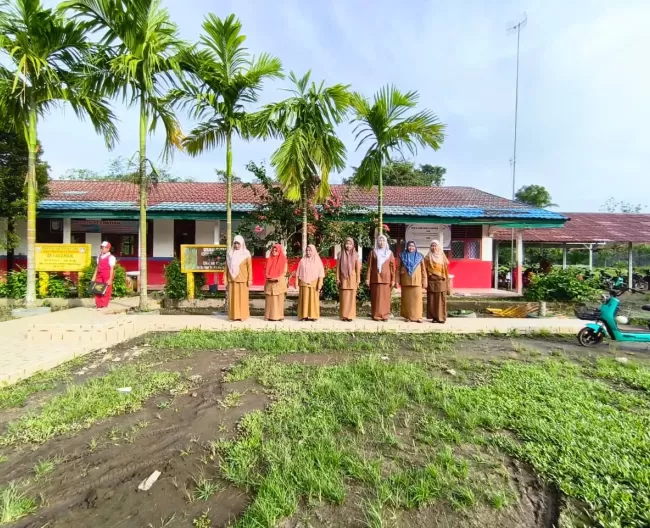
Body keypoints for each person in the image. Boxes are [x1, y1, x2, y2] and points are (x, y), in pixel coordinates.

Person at [366, 234, 395, 321]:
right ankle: (376, 315)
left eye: (383, 240)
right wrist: (367, 278)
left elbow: (392, 268)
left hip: (386, 279)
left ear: (386, 242)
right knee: (376, 298)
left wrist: (393, 279)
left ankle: (385, 315)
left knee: (385, 298)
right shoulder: (373, 252)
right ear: (377, 242)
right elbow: (369, 267)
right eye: (380, 240)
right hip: (375, 278)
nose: (381, 242)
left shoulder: (390, 253)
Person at [398, 240, 427, 323]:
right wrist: (397, 281)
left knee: (417, 300)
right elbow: (398, 269)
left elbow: (423, 270)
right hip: (405, 281)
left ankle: (418, 317)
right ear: (407, 247)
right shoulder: (402, 256)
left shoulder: (420, 256)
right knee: (407, 300)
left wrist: (424, 281)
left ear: (415, 247)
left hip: (417, 281)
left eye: (413, 246)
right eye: (409, 246)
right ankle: (408, 316)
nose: (411, 247)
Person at [226, 235, 252, 321]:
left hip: (243, 279)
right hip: (232, 280)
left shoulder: (246, 254)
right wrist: (225, 278)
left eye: (238, 243)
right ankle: (233, 316)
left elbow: (249, 268)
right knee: (233, 299)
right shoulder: (230, 253)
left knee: (242, 298)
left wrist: (250, 279)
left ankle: (243, 316)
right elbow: (226, 268)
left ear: (242, 243)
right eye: (235, 243)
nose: (236, 245)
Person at [424, 240, 451, 323]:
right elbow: (424, 269)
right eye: (432, 246)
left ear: (438, 246)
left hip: (441, 281)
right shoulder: (427, 257)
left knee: (441, 300)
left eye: (435, 245)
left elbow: (446, 266)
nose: (434, 247)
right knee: (432, 300)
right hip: (431, 281)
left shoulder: (442, 256)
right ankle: (434, 318)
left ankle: (441, 318)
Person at [297, 244, 324, 321]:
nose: (308, 252)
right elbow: (298, 272)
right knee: (304, 299)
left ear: (314, 251)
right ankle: (303, 315)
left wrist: (320, 283)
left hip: (314, 283)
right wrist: (296, 282)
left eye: (310, 250)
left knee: (313, 300)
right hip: (303, 282)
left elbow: (321, 273)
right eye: (307, 250)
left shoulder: (318, 261)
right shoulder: (302, 261)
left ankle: (313, 316)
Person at [336, 238, 361, 321]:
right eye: (347, 244)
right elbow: (338, 268)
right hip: (343, 279)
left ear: (353, 245)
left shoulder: (356, 255)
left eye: (350, 244)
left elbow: (358, 269)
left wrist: (358, 280)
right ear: (344, 244)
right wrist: (337, 278)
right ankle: (343, 315)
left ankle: (350, 316)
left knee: (352, 298)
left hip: (352, 279)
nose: (348, 246)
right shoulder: (340, 254)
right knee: (343, 298)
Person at [264, 243, 288, 321]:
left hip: (279, 283)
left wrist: (276, 278)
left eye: (276, 250)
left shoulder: (283, 260)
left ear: (279, 251)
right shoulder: (269, 260)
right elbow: (265, 270)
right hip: (269, 283)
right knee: (269, 301)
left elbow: (284, 272)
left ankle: (280, 316)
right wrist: (269, 277)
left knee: (279, 300)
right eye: (273, 250)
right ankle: (268, 316)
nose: (274, 252)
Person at [91, 241, 116, 309]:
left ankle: (104, 305)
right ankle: (98, 305)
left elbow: (112, 269)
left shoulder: (111, 257)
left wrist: (110, 279)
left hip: (107, 274)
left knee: (107, 290)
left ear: (108, 248)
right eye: (101, 247)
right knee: (97, 289)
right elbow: (97, 267)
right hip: (99, 274)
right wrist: (94, 276)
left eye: (103, 247)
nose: (101, 249)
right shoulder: (99, 257)